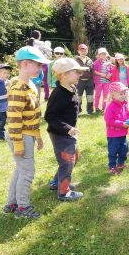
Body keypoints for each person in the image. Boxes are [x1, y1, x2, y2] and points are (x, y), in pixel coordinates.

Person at [3, 46, 51, 219]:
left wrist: (37, 137)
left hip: (28, 135)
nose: (41, 69)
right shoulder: (18, 88)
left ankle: (11, 203)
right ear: (24, 64)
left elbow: (33, 116)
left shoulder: (29, 83)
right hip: (20, 136)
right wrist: (18, 143)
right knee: (27, 172)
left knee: (21, 169)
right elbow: (14, 119)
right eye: (37, 65)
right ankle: (23, 207)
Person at [44, 58, 88, 201]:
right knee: (67, 161)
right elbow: (50, 116)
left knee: (74, 157)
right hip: (60, 134)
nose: (79, 75)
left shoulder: (70, 88)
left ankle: (56, 182)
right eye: (76, 72)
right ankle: (64, 192)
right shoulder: (59, 94)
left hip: (68, 132)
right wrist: (68, 128)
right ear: (63, 74)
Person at [104, 82, 129, 175]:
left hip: (123, 134)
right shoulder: (110, 106)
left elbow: (127, 115)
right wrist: (122, 124)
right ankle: (112, 167)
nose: (123, 95)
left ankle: (120, 164)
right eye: (121, 94)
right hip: (113, 135)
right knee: (113, 151)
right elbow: (109, 120)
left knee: (124, 149)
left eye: (124, 93)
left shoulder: (124, 104)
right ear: (113, 94)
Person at [28, 30, 52, 100]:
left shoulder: (27, 43)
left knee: (32, 80)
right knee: (45, 81)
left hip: (30, 64)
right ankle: (46, 96)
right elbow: (50, 52)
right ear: (39, 36)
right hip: (42, 63)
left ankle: (31, 96)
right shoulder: (41, 43)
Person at [74, 44, 95, 115]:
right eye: (81, 50)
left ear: (87, 51)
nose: (83, 51)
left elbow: (93, 71)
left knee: (90, 97)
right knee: (78, 97)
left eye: (85, 50)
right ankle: (78, 111)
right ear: (78, 51)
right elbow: (74, 71)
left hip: (89, 81)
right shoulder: (75, 60)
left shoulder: (90, 60)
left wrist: (93, 81)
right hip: (79, 81)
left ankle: (89, 111)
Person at [93, 47, 112, 113]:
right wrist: (101, 74)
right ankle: (97, 107)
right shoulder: (96, 62)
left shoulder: (108, 62)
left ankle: (104, 107)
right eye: (101, 54)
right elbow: (94, 71)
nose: (103, 55)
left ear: (106, 54)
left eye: (104, 54)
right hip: (99, 81)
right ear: (99, 55)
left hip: (107, 82)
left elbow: (111, 70)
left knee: (106, 95)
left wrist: (109, 74)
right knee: (97, 95)